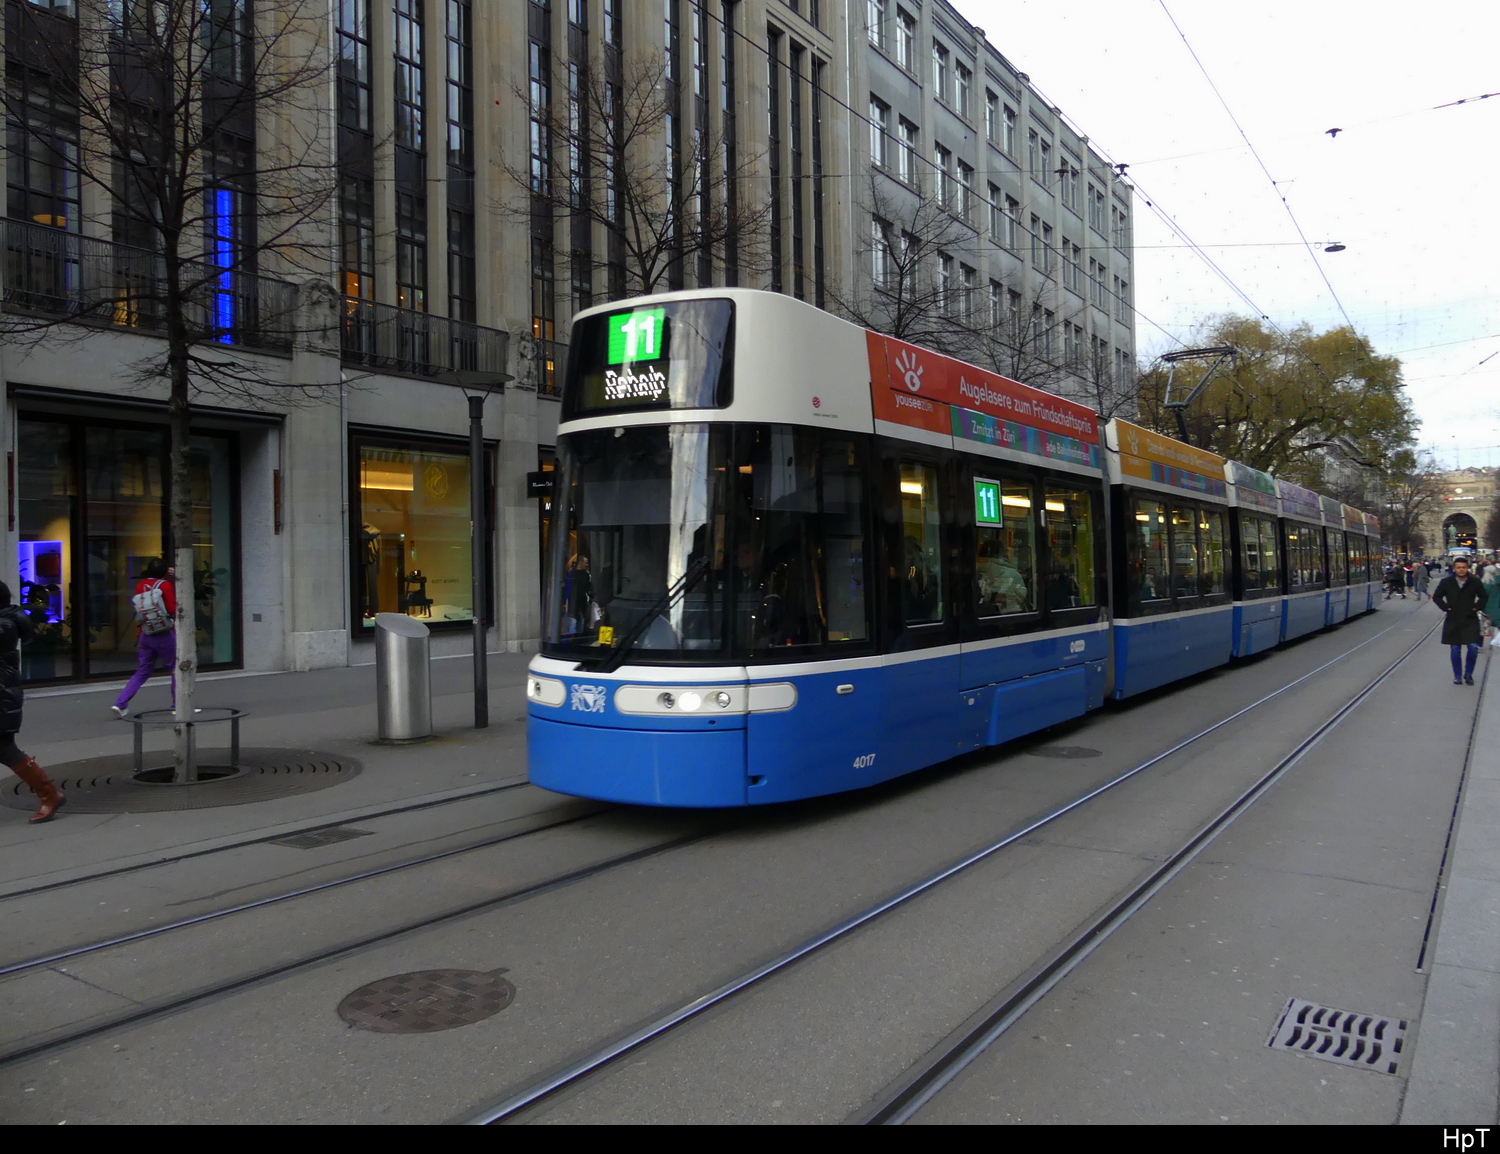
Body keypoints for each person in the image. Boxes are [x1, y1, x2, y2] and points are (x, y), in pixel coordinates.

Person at [0, 581, 63, 823]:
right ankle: (50, 794)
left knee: (5, 748)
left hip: (2, 697)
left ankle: (50, 794)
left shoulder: (4, 626)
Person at [111, 558, 177, 719]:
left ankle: (120, 703)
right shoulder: (165, 585)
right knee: (176, 669)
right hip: (164, 633)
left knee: (143, 670)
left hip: (145, 633)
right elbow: (170, 608)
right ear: (164, 572)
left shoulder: (140, 585)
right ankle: (179, 704)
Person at [1433, 556, 1489, 686]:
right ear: (1454, 569)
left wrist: (1476, 607)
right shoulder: (1446, 582)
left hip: (1470, 619)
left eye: (1464, 567)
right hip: (1453, 619)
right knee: (1455, 649)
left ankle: (1468, 674)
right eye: (1459, 567)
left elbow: (1483, 596)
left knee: (1473, 647)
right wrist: (1446, 608)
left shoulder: (1474, 582)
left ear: (1467, 568)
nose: (1461, 570)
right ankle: (1457, 676)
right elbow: (1437, 597)